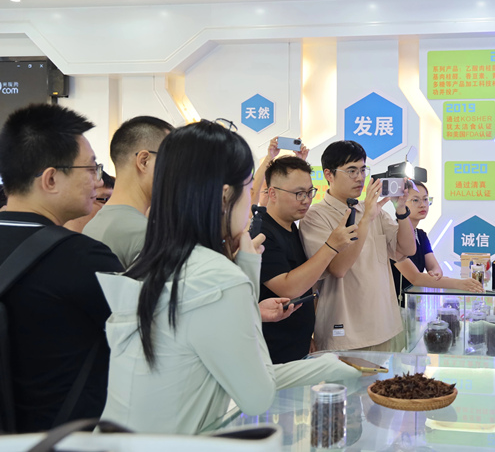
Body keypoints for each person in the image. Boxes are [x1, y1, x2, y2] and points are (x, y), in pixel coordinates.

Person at [95, 120, 359, 435]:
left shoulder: (153, 260)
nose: (253, 203)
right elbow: (257, 396)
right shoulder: (217, 276)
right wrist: (244, 274)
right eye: (249, 188)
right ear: (224, 196)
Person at [0, 104, 123, 432]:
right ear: (51, 178)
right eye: (91, 168)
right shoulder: (84, 258)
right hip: (57, 440)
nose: (97, 181)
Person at [299, 140, 416, 352]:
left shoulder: (373, 210)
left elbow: (407, 250)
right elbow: (338, 269)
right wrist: (366, 219)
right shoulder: (315, 216)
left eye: (363, 170)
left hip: (383, 327)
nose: (360, 178)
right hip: (344, 333)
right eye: (351, 171)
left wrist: (401, 210)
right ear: (328, 174)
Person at [258, 156, 358, 363]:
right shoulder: (261, 234)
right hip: (272, 352)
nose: (306, 200)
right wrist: (331, 246)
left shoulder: (291, 227)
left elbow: (306, 286)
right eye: (299, 194)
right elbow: (288, 288)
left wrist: (308, 334)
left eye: (309, 192)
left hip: (297, 345)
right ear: (272, 193)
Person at [83, 116, 174, 269]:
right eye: (173, 160)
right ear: (144, 161)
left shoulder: (92, 226)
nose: (178, 171)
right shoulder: (144, 234)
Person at [392, 180, 483, 305]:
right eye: (415, 200)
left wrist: (435, 274)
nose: (423, 205)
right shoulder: (393, 234)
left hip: (412, 305)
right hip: (394, 305)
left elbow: (435, 267)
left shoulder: (421, 235)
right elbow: (415, 278)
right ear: (401, 201)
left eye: (425, 199)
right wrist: (460, 283)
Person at [251, 136, 308, 207]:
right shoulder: (253, 212)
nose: (271, 195)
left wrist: (300, 162)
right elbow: (254, 191)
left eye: (276, 191)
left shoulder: (291, 211)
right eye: (266, 191)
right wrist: (269, 157)